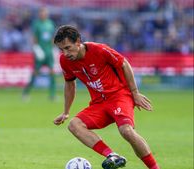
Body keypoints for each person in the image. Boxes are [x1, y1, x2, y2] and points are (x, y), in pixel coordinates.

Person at [53, 25, 159, 169]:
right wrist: (66, 112)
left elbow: (124, 64)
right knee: (74, 125)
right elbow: (70, 84)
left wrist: (134, 93)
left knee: (126, 131)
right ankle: (112, 155)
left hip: (119, 96)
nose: (65, 53)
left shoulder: (99, 50)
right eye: (61, 49)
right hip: (99, 103)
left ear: (78, 41)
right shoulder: (65, 61)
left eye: (68, 47)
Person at [22, 7, 56, 101]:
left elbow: (52, 37)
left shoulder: (50, 23)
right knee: (35, 72)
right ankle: (26, 92)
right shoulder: (36, 24)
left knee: (52, 72)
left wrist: (53, 49)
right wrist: (36, 49)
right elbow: (34, 38)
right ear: (39, 14)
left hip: (49, 52)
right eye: (41, 13)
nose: (43, 14)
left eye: (44, 12)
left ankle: (52, 95)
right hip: (40, 52)